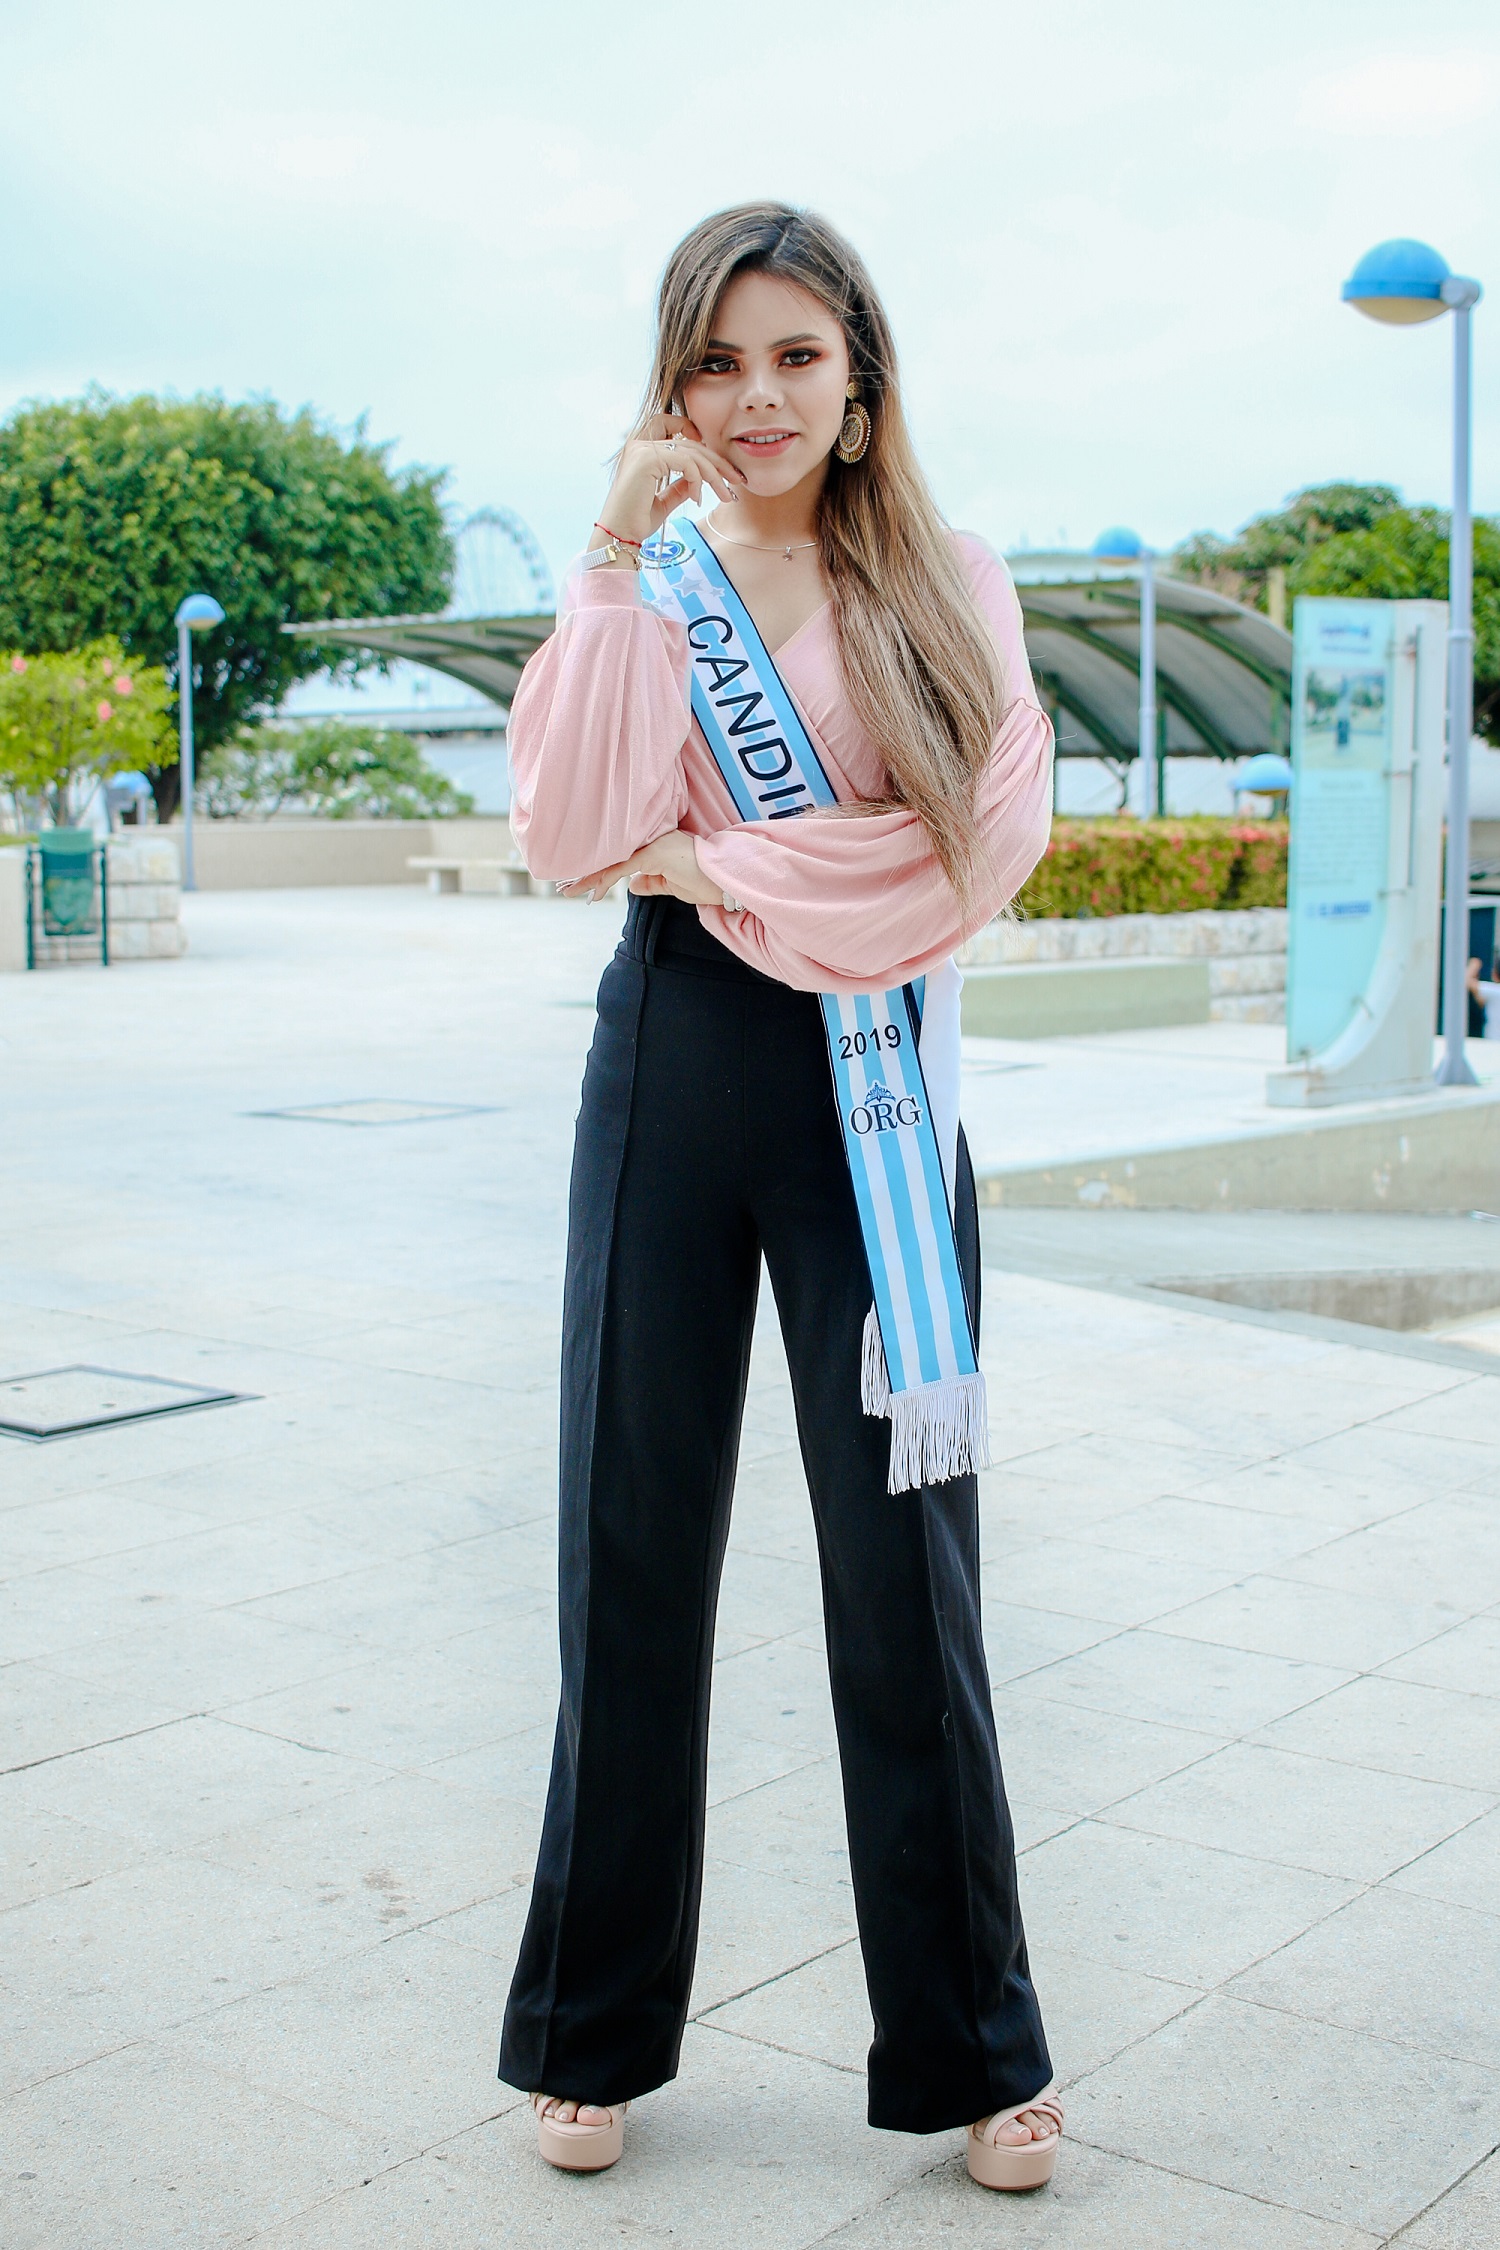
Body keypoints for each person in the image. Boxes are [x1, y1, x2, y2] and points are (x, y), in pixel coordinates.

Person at [498, 201, 1061, 2194]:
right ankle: (586, 2032)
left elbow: (971, 864)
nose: (759, 397)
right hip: (674, 1067)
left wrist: (721, 868)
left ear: (859, 377)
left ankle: (982, 2049)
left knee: (907, 1571)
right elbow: (570, 835)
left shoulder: (949, 578)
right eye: (721, 359)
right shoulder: (642, 587)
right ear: (677, 381)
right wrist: (602, 578)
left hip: (879, 1097)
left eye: (796, 357)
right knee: (625, 1543)